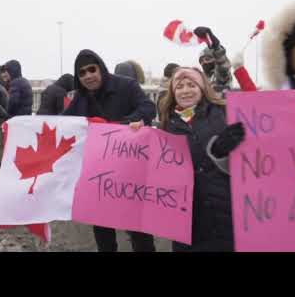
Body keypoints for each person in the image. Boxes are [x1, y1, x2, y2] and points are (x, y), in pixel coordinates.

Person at [63, 49, 157, 252]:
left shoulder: (127, 85)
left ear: (101, 68)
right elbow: (63, 124)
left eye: (92, 69)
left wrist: (120, 126)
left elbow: (149, 108)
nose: (88, 76)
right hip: (99, 174)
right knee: (102, 229)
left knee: (138, 229)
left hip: (129, 171)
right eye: (82, 73)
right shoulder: (80, 98)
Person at [158, 67, 245, 252]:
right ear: (173, 92)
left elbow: (245, 154)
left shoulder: (223, 112)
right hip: (187, 220)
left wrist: (222, 148)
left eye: (192, 85)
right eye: (179, 86)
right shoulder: (166, 123)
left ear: (203, 88)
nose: (185, 90)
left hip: (225, 212)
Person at [193, 27, 233, 94]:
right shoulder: (201, 80)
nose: (204, 62)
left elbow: (222, 64)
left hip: (221, 103)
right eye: (201, 61)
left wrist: (216, 47)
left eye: (207, 59)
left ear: (215, 59)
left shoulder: (221, 75)